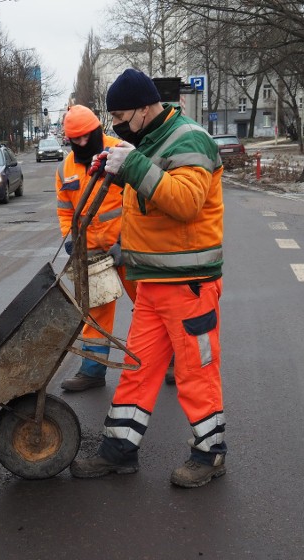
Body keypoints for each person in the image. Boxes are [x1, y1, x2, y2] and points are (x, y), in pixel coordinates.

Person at [70, 69, 227, 488]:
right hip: (154, 283)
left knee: (196, 372)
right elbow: (151, 199)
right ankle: (118, 451)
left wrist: (135, 165)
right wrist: (121, 171)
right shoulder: (151, 140)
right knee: (139, 369)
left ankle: (210, 453)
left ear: (144, 108)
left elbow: (187, 202)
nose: (117, 124)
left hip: (188, 284)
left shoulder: (188, 138)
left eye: (121, 115)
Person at [55, 104, 137, 391]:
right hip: (92, 251)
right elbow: (66, 209)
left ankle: (172, 360)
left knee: (150, 305)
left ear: (96, 131)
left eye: (85, 138)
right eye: (73, 140)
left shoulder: (121, 153)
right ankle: (92, 371)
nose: (80, 144)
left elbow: (140, 201)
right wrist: (70, 238)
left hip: (128, 246)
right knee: (96, 311)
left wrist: (125, 241)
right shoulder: (66, 168)